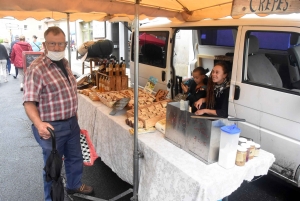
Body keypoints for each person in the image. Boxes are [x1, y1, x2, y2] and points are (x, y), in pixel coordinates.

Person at [23, 26, 93, 201]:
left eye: (60, 44)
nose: (56, 47)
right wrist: (39, 124)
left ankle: (74, 185)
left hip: (71, 122)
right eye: (52, 43)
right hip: (51, 127)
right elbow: (29, 102)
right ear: (45, 44)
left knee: (75, 157)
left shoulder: (64, 62)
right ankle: (53, 199)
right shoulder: (36, 68)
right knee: (53, 169)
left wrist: (73, 114)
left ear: (65, 44)